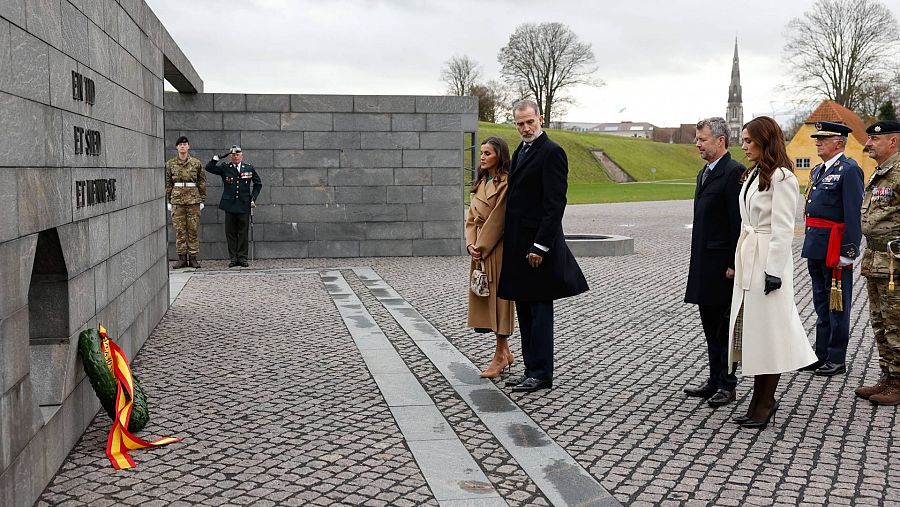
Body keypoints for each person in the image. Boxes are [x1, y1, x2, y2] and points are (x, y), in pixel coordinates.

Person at [728, 116, 818, 429]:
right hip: (750, 255)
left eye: (750, 141)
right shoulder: (754, 174)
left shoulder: (782, 177)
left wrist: (774, 271)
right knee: (753, 330)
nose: (744, 146)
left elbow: (783, 228)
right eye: (743, 140)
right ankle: (758, 400)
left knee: (769, 333)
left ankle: (765, 402)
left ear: (766, 141)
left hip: (767, 259)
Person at [498, 99, 588, 393]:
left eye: (530, 122)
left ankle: (542, 372)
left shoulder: (552, 152)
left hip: (537, 249)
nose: (525, 128)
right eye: (520, 123)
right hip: (518, 245)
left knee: (539, 312)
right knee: (524, 309)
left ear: (540, 119)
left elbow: (554, 204)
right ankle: (529, 368)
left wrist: (539, 246)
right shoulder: (522, 151)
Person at [683, 117, 744, 407]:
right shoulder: (704, 172)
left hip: (723, 266)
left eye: (702, 139)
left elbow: (738, 223)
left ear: (720, 141)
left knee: (723, 326)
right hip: (704, 262)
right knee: (709, 324)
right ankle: (714, 379)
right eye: (697, 139)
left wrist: (734, 262)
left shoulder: (734, 173)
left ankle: (728, 384)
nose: (698, 144)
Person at [800, 121, 864, 377]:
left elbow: (853, 214)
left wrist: (848, 252)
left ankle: (836, 358)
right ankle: (821, 353)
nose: (817, 142)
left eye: (823, 139)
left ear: (838, 143)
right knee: (820, 302)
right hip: (816, 245)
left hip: (835, 248)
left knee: (837, 304)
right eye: (817, 138)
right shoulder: (818, 170)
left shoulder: (849, 170)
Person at [855, 120, 900, 405]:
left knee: (896, 324)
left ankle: (898, 382)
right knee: (880, 322)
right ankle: (887, 376)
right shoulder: (881, 172)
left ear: (893, 142)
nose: (867, 144)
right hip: (875, 260)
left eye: (875, 139)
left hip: (895, 263)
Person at [466, 137, 516, 378]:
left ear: (500, 156)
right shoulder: (480, 182)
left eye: (488, 153)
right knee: (486, 301)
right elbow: (470, 218)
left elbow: (498, 219)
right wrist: (470, 244)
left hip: (496, 249)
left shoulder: (506, 183)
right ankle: (505, 354)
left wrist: (481, 245)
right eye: (481, 153)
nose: (483, 157)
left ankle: (499, 357)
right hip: (479, 250)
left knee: (500, 303)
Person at [205, 145, 262, 267]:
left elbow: (258, 184)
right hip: (230, 205)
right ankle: (233, 258)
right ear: (230, 156)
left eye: (237, 154)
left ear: (242, 155)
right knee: (230, 232)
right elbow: (209, 168)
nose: (235, 156)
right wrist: (217, 158)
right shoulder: (225, 167)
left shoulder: (249, 168)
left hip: (243, 204)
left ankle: (242, 258)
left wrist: (253, 197)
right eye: (233, 155)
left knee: (243, 232)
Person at [165, 136, 206, 269]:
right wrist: (169, 201)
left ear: (188, 146)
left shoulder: (196, 163)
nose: (182, 147)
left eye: (185, 144)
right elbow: (168, 183)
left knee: (193, 229)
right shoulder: (170, 164)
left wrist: (202, 199)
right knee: (180, 230)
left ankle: (193, 258)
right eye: (180, 145)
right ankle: (182, 258)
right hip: (177, 201)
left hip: (193, 200)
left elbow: (201, 182)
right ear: (176, 147)